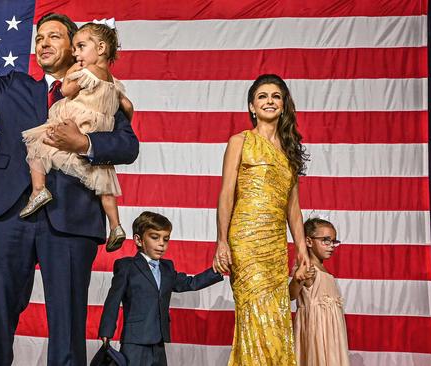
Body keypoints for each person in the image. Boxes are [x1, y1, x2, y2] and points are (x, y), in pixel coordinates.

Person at [0, 1, 139, 364]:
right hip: (11, 212)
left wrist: (86, 143)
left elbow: (128, 145)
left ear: (75, 46)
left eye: (54, 36)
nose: (43, 43)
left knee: (68, 323)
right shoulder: (13, 86)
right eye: (39, 38)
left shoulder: (102, 90)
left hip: (72, 217)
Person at [212, 74, 310, 365]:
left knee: (276, 318)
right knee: (253, 315)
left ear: (284, 105)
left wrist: (302, 249)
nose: (269, 101)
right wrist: (221, 241)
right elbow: (226, 194)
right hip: (245, 242)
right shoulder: (240, 141)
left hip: (275, 247)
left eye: (276, 96)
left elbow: (293, 208)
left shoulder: (290, 151)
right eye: (263, 96)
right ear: (252, 107)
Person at [20, 20, 133, 251]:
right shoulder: (115, 82)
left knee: (37, 145)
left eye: (80, 47)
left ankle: (39, 190)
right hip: (98, 126)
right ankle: (116, 225)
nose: (76, 52)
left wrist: (71, 73)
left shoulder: (85, 72)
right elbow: (128, 105)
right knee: (105, 184)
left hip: (75, 120)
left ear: (100, 49)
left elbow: (67, 91)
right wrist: (110, 120)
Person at [98, 211, 224, 366]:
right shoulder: (126, 266)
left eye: (166, 239)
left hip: (158, 341)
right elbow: (113, 300)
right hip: (135, 341)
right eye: (154, 237)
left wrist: (217, 270)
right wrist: (106, 331)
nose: (161, 244)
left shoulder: (167, 268)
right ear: (138, 239)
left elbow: (191, 283)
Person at [290, 218, 350, 366]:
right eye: (326, 241)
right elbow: (290, 295)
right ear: (309, 242)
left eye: (333, 242)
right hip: (316, 331)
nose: (331, 246)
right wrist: (298, 279)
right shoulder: (307, 269)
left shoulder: (325, 271)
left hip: (332, 333)